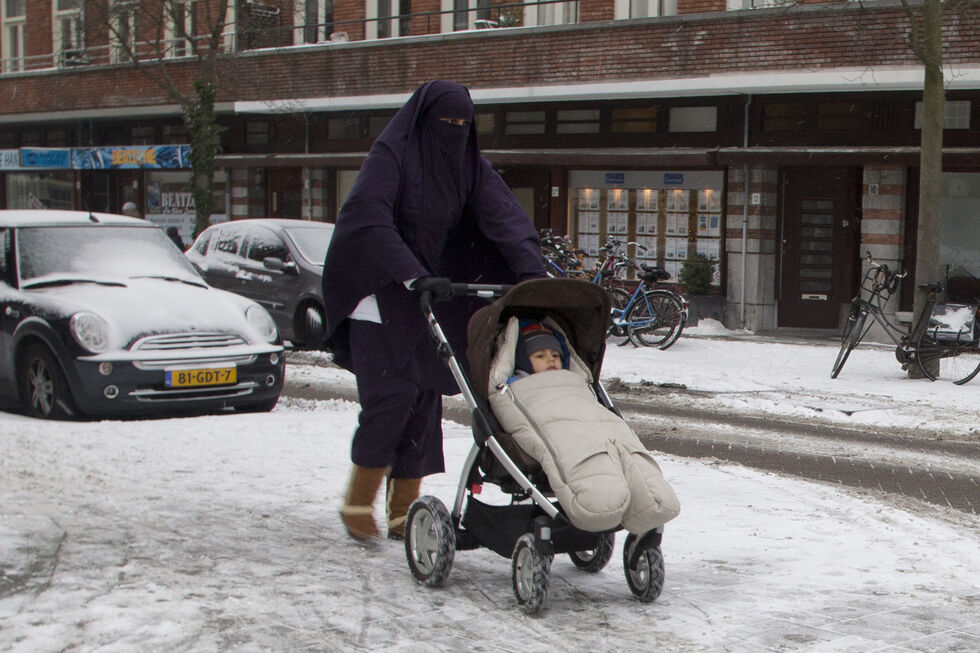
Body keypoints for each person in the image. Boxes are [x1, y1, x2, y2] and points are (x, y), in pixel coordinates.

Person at [321, 80, 546, 543]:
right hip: (377, 290)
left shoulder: (468, 164)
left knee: (424, 399)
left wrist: (531, 272)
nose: (455, 132)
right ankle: (357, 501)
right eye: (447, 124)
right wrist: (410, 272)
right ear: (425, 121)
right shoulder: (390, 157)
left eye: (464, 125)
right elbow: (369, 217)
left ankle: (404, 511)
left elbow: (505, 217)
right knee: (391, 397)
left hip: (425, 292)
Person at [492, 318, 680, 535]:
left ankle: (648, 498)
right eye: (540, 356)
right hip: (550, 414)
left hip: (585, 413)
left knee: (622, 448)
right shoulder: (514, 385)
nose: (551, 360)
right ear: (522, 361)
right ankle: (600, 500)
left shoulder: (574, 379)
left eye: (555, 355)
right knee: (579, 452)